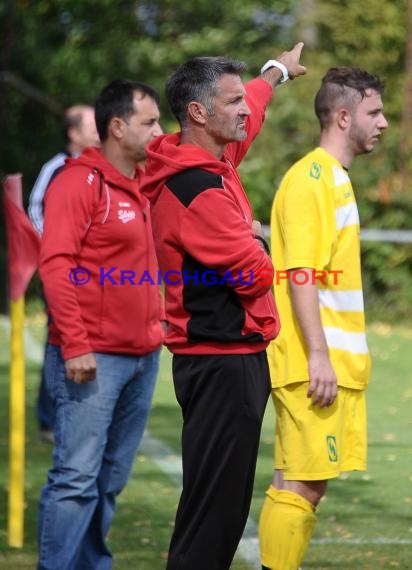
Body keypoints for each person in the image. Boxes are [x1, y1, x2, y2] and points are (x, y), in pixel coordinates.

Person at [140, 44, 306, 570]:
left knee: (217, 509)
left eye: (241, 100)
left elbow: (251, 115)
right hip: (221, 362)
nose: (243, 110)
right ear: (198, 113)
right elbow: (253, 271)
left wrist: (273, 74)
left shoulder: (206, 158)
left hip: (222, 358)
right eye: (230, 101)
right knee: (215, 518)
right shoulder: (198, 188)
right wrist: (258, 240)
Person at [258, 67, 389, 570]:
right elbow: (300, 275)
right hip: (312, 362)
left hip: (328, 361)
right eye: (373, 112)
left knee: (301, 482)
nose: (383, 123)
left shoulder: (333, 178)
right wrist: (318, 355)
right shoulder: (312, 178)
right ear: (342, 116)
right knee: (302, 483)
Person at [37, 79, 164, 570]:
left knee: (110, 478)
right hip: (93, 357)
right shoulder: (76, 181)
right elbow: (56, 266)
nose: (158, 131)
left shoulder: (146, 181)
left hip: (143, 356)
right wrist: (74, 345)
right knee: (76, 477)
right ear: (117, 126)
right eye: (149, 121)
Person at [29, 104, 100, 442]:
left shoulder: (100, 168)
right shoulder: (56, 168)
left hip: (92, 276)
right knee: (61, 341)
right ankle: (49, 419)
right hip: (63, 272)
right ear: (73, 133)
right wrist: (59, 251)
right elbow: (35, 210)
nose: (100, 128)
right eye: (91, 123)